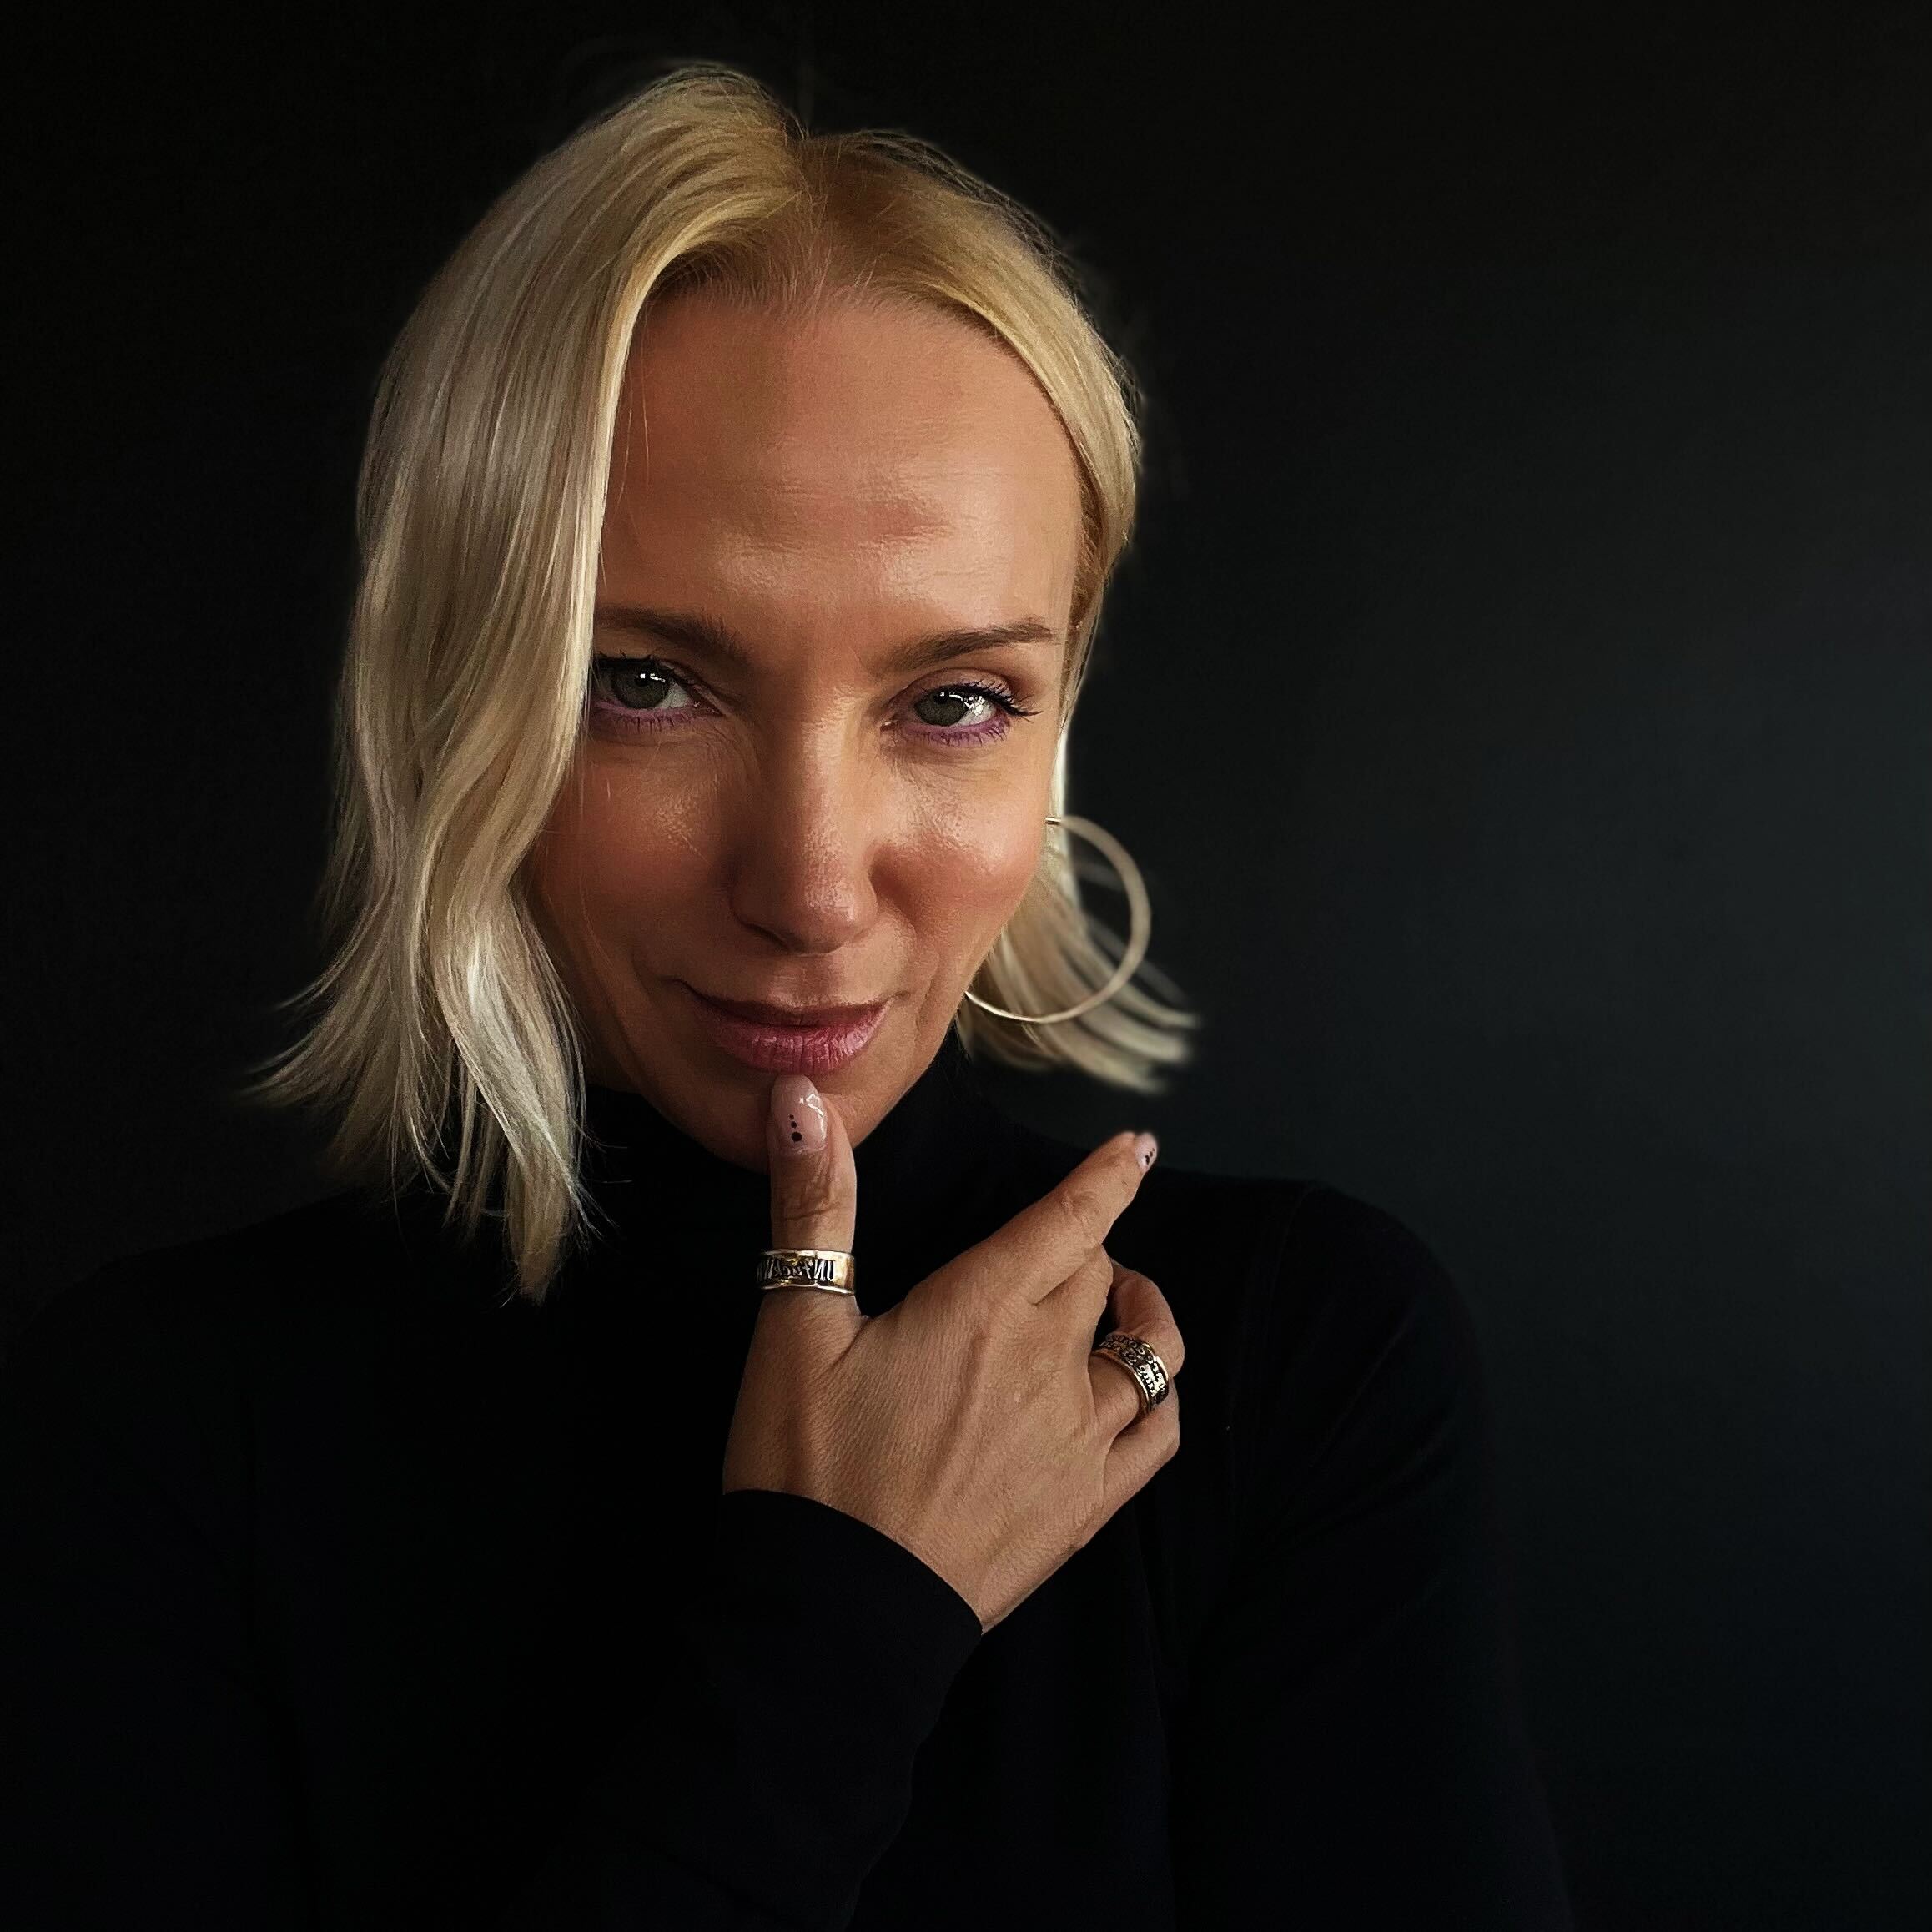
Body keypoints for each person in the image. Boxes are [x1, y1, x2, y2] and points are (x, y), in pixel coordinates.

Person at [0, 61, 1575, 1932]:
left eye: (954, 701)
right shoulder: (159, 1436)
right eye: (647, 683)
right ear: (454, 693)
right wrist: (843, 1616)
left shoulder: (1294, 1360)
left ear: (1060, 722)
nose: (811, 885)